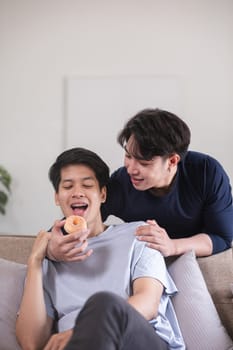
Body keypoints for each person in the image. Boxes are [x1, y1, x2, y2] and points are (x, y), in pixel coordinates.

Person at [16, 147, 185, 350]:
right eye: (68, 186)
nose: (77, 192)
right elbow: (31, 343)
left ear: (103, 194)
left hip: (137, 340)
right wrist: (35, 261)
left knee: (104, 303)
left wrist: (81, 331)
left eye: (87, 185)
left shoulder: (139, 235)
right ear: (57, 197)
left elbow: (148, 304)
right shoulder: (48, 257)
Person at [47, 108, 233, 262]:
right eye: (128, 156)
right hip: (144, 263)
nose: (131, 169)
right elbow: (80, 224)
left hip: (195, 260)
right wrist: (52, 248)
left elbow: (221, 237)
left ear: (172, 161)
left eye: (144, 163)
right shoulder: (121, 183)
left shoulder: (206, 172)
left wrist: (173, 246)